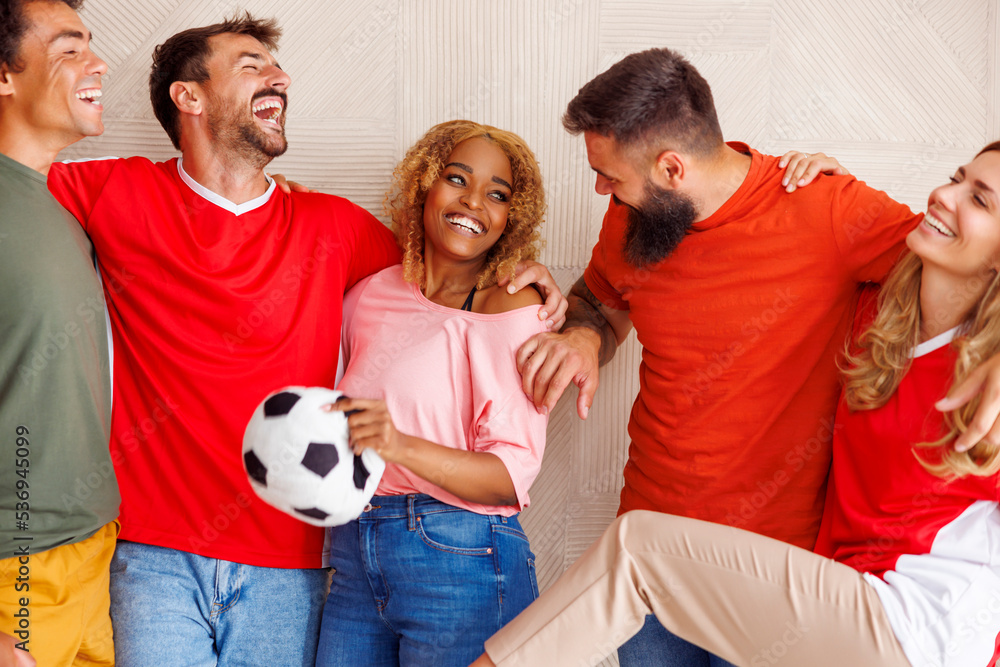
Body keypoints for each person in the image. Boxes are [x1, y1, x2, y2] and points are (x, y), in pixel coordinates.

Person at [42, 15, 565, 665]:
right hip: (154, 556)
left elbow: (448, 274)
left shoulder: (336, 227)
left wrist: (537, 286)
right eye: (251, 63)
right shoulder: (114, 191)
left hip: (294, 565)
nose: (279, 77)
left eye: (277, 65)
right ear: (190, 96)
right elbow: (14, 176)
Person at [512, 47, 1000, 665]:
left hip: (785, 583)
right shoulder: (631, 219)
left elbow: (965, 268)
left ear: (670, 169)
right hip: (649, 571)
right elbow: (597, 301)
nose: (601, 190)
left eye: (611, 175)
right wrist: (583, 335)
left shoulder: (827, 209)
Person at [317, 120, 549, 667]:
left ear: (510, 218)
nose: (474, 202)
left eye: (497, 194)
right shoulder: (370, 292)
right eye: (456, 178)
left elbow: (511, 477)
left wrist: (398, 444)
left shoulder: (512, 309)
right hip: (354, 551)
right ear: (425, 184)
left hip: (460, 554)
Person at [0, 1, 117, 665]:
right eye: (70, 48)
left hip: (89, 551)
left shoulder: (59, 210)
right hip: (16, 568)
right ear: (5, 75)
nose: (99, 64)